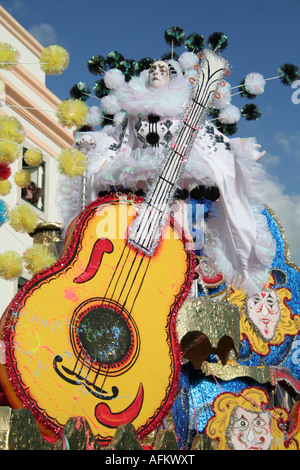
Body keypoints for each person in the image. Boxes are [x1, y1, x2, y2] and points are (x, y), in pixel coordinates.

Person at [68, 54, 275, 296]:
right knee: (130, 239)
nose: (156, 72)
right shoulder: (134, 114)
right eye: (152, 69)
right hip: (139, 182)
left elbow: (211, 140)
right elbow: (117, 140)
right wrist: (91, 140)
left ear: (171, 77)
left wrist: (242, 149)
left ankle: (183, 289)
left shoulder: (184, 110)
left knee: (180, 238)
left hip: (179, 182)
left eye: (162, 69)